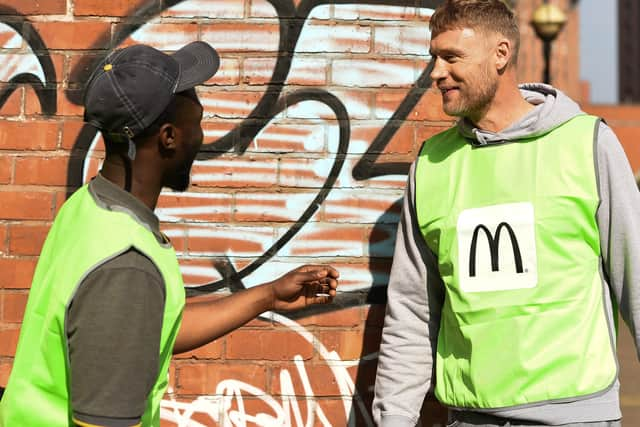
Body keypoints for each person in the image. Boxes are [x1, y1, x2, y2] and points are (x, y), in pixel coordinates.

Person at [0, 41, 339, 427]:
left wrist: (268, 296)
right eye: (198, 121)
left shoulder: (89, 207)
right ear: (169, 137)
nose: (203, 134)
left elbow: (149, 330)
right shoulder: (126, 266)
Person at [372, 1, 639, 426]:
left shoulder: (587, 144)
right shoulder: (432, 166)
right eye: (434, 58)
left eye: (452, 57)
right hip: (470, 417)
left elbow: (636, 283)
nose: (436, 72)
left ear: (501, 54)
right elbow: (412, 312)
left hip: (577, 416)